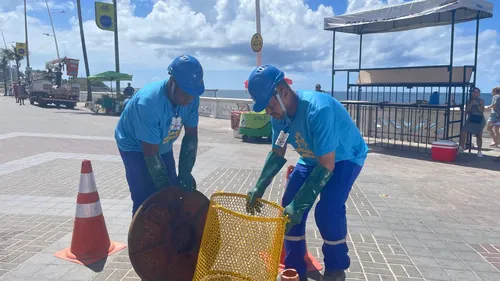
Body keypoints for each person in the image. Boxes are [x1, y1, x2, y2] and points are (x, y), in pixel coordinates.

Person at [245, 65, 369, 281]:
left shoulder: (317, 110)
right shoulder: (278, 114)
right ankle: (294, 270)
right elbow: (277, 151)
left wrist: (300, 204)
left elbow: (327, 164)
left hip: (344, 157)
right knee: (288, 211)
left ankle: (335, 268)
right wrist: (259, 186)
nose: (267, 111)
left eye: (269, 104)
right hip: (313, 157)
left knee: (328, 210)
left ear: (283, 92)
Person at [115, 55, 204, 215]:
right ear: (172, 83)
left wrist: (185, 171)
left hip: (162, 142)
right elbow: (150, 152)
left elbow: (191, 136)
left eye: (193, 94)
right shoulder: (149, 103)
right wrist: (163, 189)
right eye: (185, 94)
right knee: (145, 196)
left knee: (174, 187)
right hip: (133, 146)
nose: (189, 100)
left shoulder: (192, 98)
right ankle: (141, 236)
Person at [459, 87, 486, 157]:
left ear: (479, 94)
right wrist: (471, 104)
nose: (475, 93)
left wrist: (477, 105)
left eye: (476, 92)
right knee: (463, 131)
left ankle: (479, 151)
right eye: (473, 91)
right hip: (471, 118)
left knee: (479, 135)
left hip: (479, 119)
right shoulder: (469, 101)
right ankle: (462, 147)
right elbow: (467, 111)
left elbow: (482, 111)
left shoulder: (481, 100)